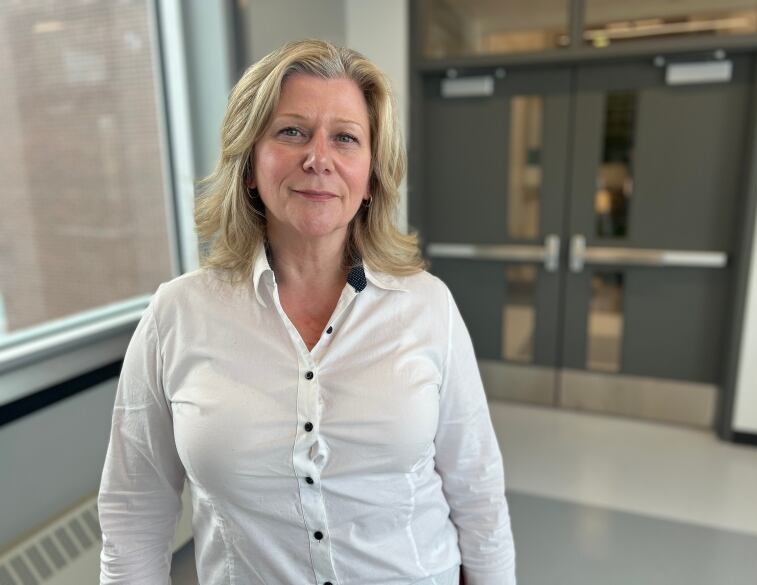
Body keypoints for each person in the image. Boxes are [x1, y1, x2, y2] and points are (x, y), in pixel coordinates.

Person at [98, 39, 515, 585]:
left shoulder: (427, 305)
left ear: (370, 177)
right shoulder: (176, 314)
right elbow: (135, 511)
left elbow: (477, 489)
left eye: (345, 138)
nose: (318, 158)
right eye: (291, 131)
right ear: (249, 165)